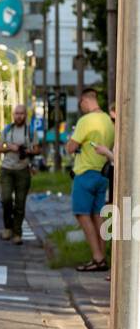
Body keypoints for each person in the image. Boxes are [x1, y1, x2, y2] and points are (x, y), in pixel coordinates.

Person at [66, 86, 115, 272]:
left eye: (81, 104)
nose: (82, 108)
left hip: (85, 173)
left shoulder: (85, 121)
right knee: (97, 216)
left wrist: (70, 140)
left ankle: (97, 256)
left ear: (86, 101)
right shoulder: (108, 121)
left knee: (82, 214)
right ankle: (102, 257)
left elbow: (71, 148)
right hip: (102, 174)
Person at [0, 105, 36, 244]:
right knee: (6, 199)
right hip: (7, 169)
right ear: (13, 115)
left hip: (23, 169)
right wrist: (10, 147)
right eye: (16, 113)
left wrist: (27, 150)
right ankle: (8, 227)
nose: (19, 116)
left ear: (26, 115)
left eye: (21, 113)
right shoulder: (7, 130)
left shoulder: (30, 131)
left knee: (20, 203)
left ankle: (17, 233)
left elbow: (37, 149)